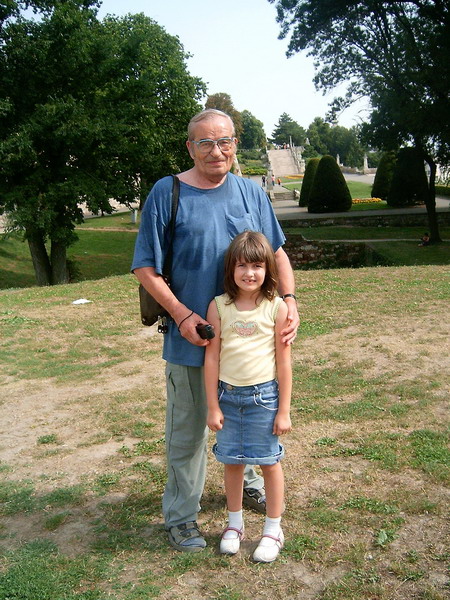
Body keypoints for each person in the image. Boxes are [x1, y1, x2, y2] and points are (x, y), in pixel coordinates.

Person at [131, 108, 299, 553]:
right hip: (193, 341)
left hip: (250, 347)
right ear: (190, 147)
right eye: (204, 142)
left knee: (248, 421)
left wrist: (290, 300)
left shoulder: (250, 192)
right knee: (188, 435)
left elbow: (277, 253)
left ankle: (247, 487)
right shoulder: (167, 192)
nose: (215, 150)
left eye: (224, 141)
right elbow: (145, 267)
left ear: (234, 145)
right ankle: (182, 516)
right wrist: (182, 315)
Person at [204, 231, 292, 563]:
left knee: (269, 462)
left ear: (268, 269)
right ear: (231, 269)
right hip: (227, 397)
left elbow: (284, 363)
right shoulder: (218, 307)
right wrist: (213, 405)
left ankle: (273, 529)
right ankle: (234, 524)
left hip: (264, 399)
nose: (249, 273)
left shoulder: (277, 307)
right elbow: (212, 358)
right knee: (232, 462)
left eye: (257, 266)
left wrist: (283, 410)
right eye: (242, 265)